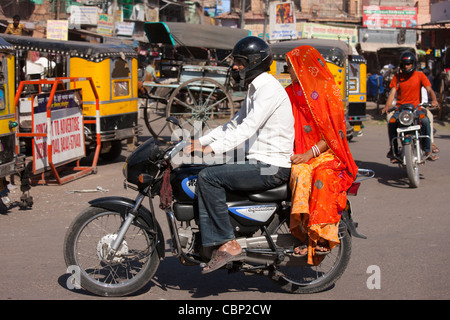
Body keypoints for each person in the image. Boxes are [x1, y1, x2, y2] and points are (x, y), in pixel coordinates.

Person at [185, 36, 295, 274]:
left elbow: (247, 128)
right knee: (200, 171)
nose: (234, 66)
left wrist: (210, 150)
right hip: (257, 161)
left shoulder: (268, 89)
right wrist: (199, 141)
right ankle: (221, 235)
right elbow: (233, 125)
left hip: (270, 166)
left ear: (254, 61)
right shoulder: (256, 88)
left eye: (239, 61)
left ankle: (228, 242)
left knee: (208, 177)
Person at [284, 45, 358, 265]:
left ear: (303, 67)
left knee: (323, 177)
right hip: (299, 154)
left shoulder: (325, 92)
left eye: (291, 67)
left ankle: (324, 234)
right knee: (300, 174)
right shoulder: (288, 93)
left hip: (325, 153)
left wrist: (309, 153)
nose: (289, 71)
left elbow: (334, 134)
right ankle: (304, 233)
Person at [382, 51, 439, 161]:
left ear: (413, 64)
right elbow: (392, 93)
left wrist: (434, 100)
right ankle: (393, 150)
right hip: (400, 109)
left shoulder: (420, 75)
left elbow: (429, 90)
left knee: (426, 121)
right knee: (391, 122)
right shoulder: (397, 77)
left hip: (417, 108)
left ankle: (428, 150)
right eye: (404, 64)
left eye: (408, 64)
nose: (406, 66)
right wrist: (386, 107)